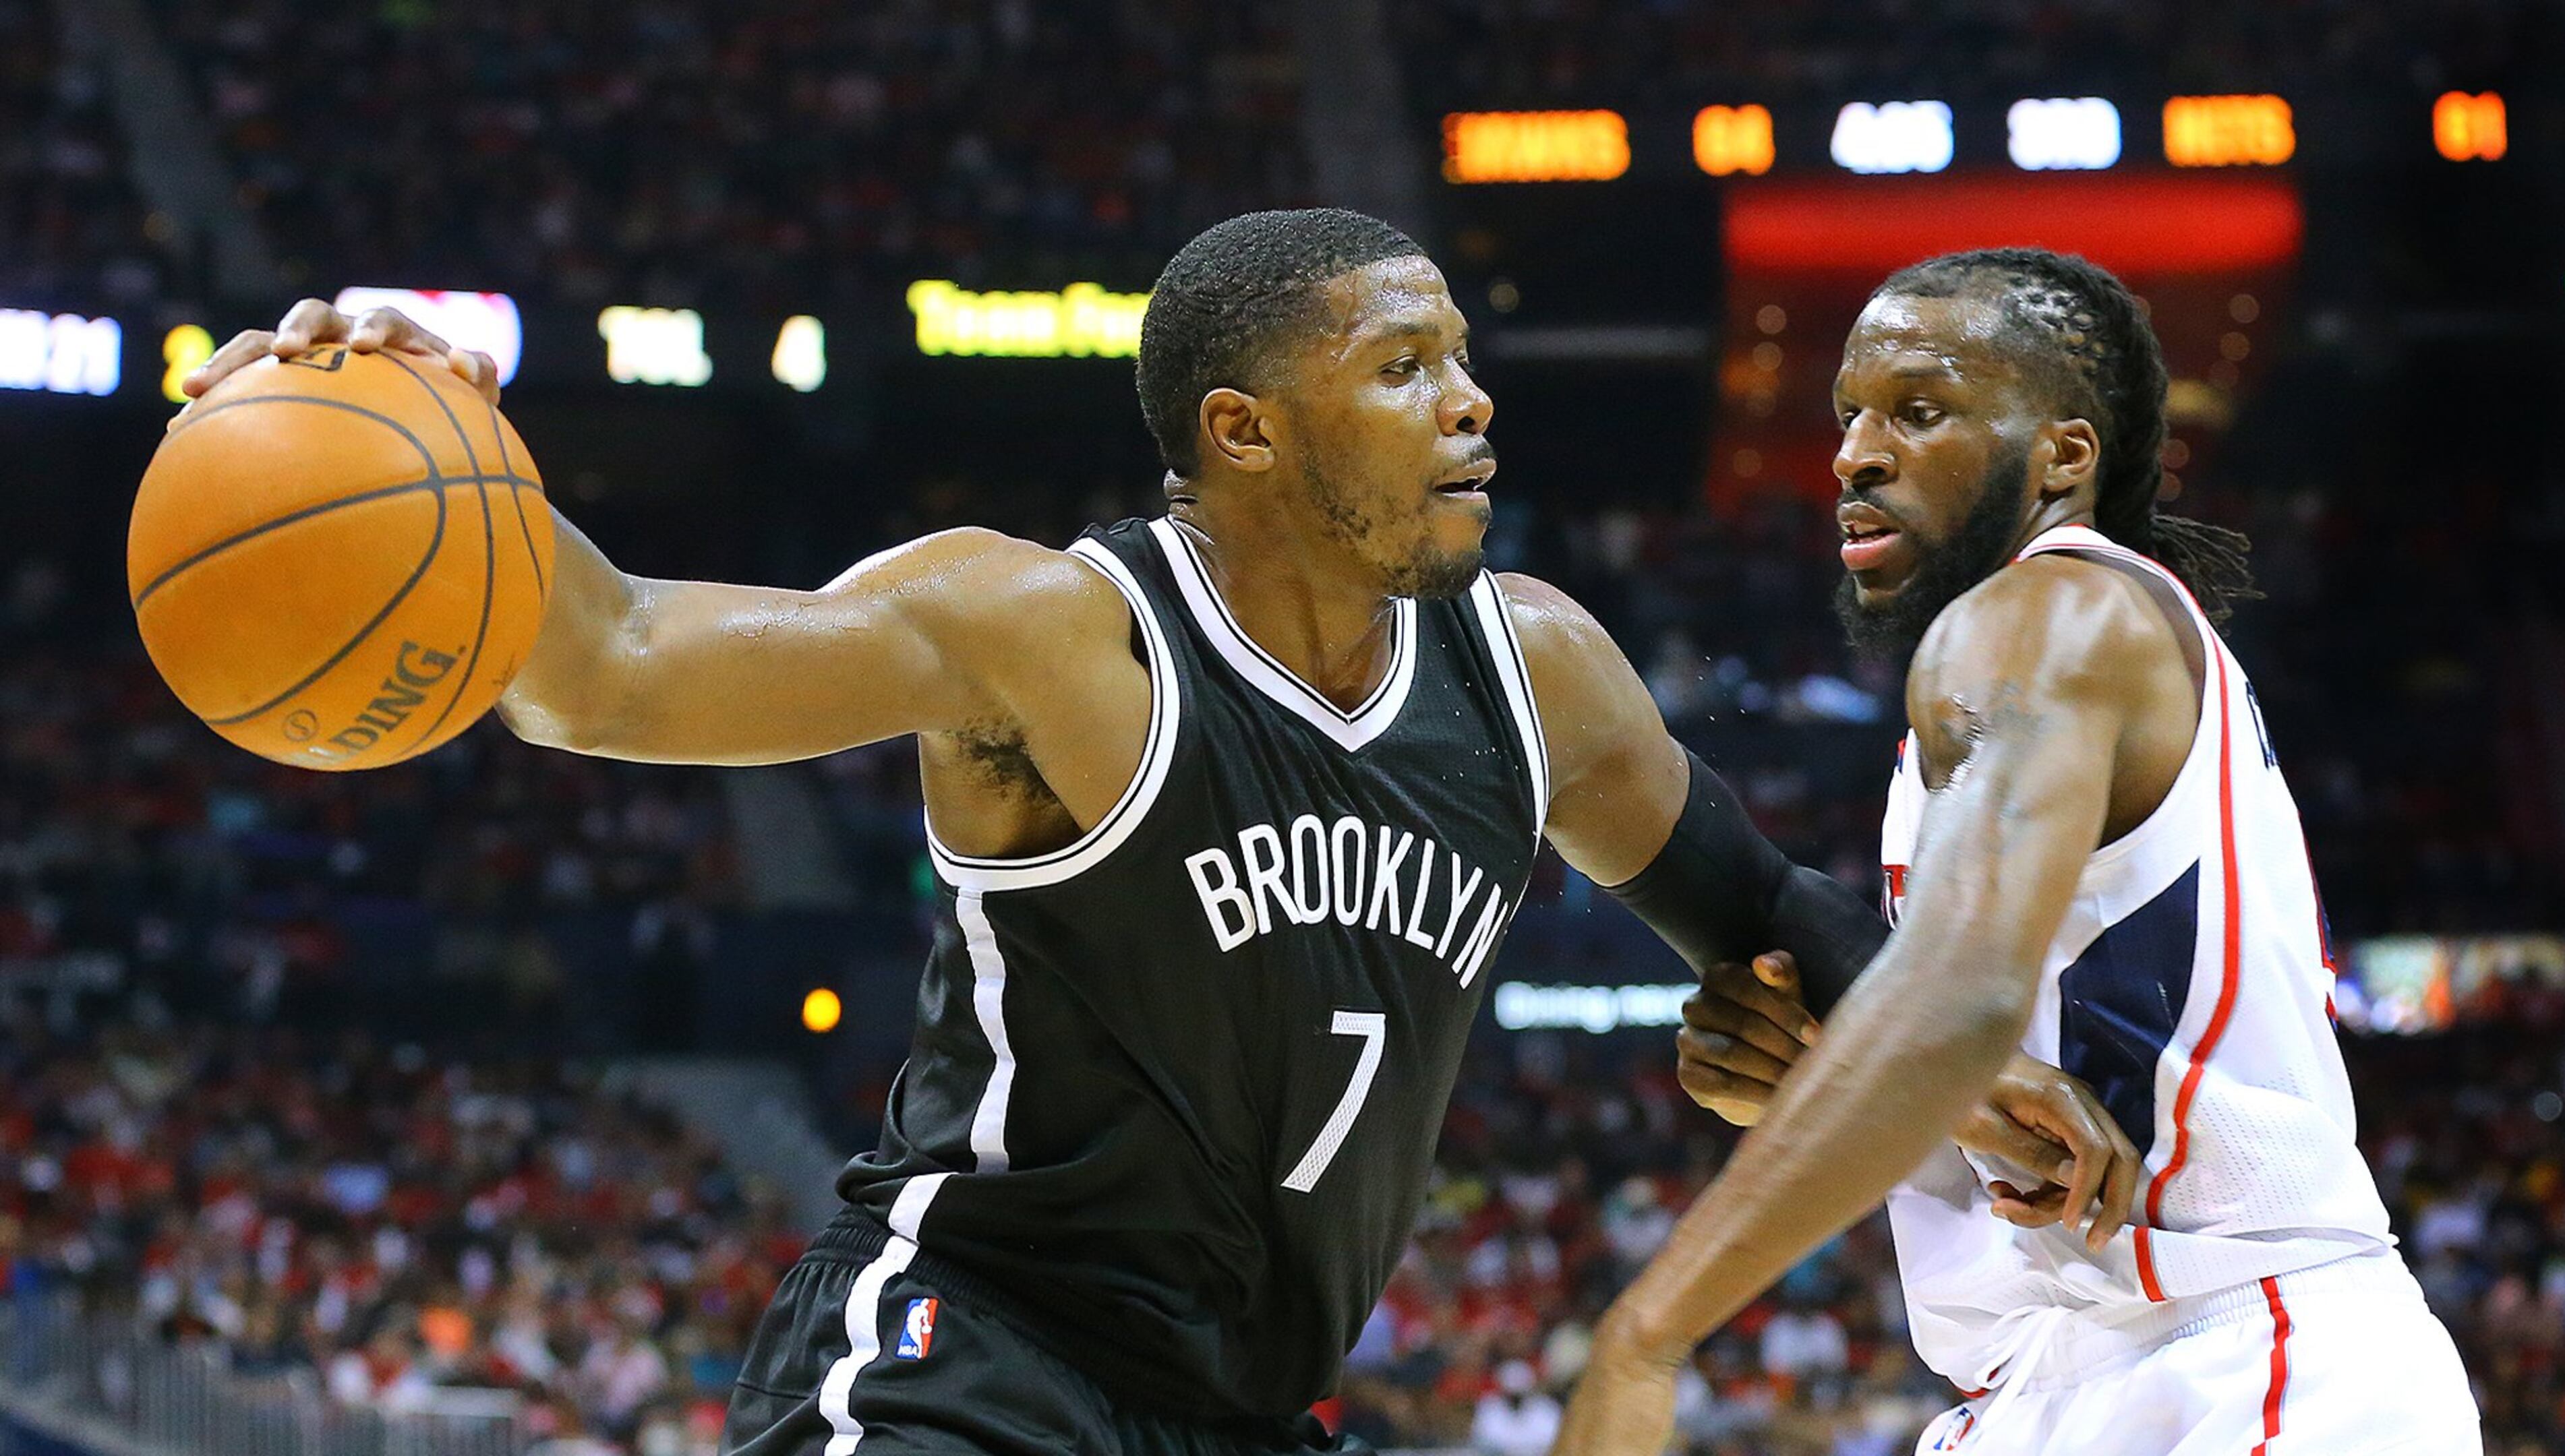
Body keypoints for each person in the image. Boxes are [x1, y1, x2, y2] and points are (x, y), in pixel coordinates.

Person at [181, 212, 2131, 1456]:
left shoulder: (1536, 672)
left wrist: (1999, 1092)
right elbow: (602, 669)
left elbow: (1769, 923)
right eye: (1402, 369)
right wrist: (440, 422)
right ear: (1246, 430)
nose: (1469, 406)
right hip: (977, 1359)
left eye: (1460, 358)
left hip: (1261, 1413)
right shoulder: (1049, 635)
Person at [1554, 248, 2482, 1455]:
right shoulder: (1998, 683)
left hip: (2245, 1356)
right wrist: (1845, 1061)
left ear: (2063, 456)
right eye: (1849, 418)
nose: (1855, 456)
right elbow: (1974, 1022)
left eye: (1919, 412)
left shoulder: (2056, 617)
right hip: (2053, 1375)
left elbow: (1961, 1000)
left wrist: (1648, 1335)